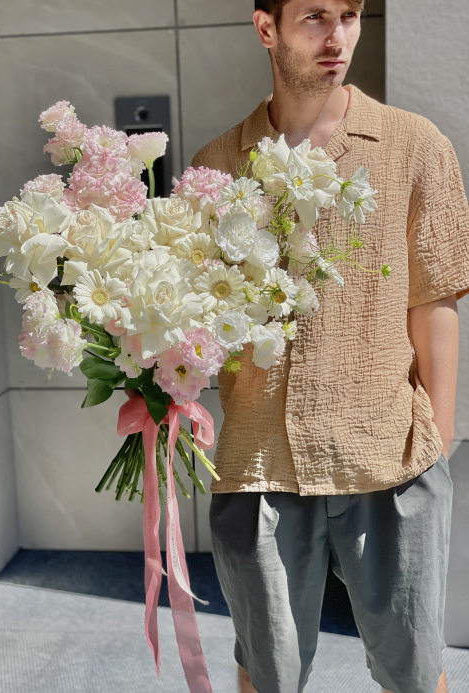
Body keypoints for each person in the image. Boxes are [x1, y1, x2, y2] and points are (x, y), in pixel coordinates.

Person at [188, 1, 469, 692]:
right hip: (260, 462)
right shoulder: (218, 166)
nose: (337, 36)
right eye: (314, 16)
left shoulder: (415, 144)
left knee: (413, 673)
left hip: (390, 452)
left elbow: (434, 300)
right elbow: (194, 323)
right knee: (267, 675)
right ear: (266, 29)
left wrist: (439, 434)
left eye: (349, 14)